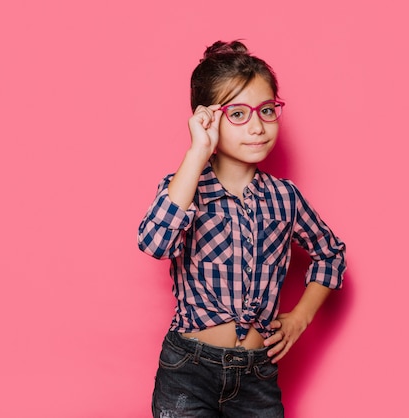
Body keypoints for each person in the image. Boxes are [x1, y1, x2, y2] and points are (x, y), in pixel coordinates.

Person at [137, 40, 346, 418]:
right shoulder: (185, 187)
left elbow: (330, 253)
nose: (257, 126)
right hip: (188, 371)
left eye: (267, 110)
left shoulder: (286, 197)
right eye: (238, 114)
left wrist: (300, 318)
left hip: (256, 378)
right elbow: (155, 243)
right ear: (207, 118)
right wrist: (197, 152)